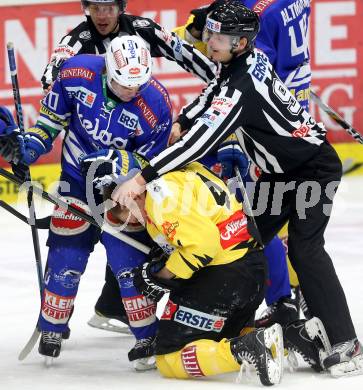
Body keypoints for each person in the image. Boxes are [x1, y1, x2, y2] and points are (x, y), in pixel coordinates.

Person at [109, 1, 363, 377]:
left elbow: (199, 143)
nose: (210, 41)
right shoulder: (238, 63)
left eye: (219, 37)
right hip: (282, 174)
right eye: (209, 31)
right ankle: (276, 329)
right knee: (246, 238)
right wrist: (185, 116)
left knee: (307, 251)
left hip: (313, 170)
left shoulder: (242, 86)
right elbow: (214, 88)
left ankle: (347, 344)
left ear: (242, 42)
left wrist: (142, 178)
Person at [42, 0, 218, 332]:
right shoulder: (76, 43)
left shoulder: (144, 30)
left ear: (121, 7)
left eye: (110, 6)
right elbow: (53, 82)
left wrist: (217, 91)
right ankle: (107, 308)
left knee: (132, 233)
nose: (103, 14)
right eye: (96, 6)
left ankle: (117, 308)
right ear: (86, 8)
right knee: (86, 242)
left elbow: (197, 61)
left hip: (126, 156)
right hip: (88, 160)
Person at [86, 149, 332, 384]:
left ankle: (246, 349)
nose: (133, 221)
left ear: (134, 193)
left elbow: (203, 245)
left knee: (168, 357)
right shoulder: (185, 171)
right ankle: (296, 336)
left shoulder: (158, 196)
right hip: (252, 268)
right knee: (217, 339)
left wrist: (161, 275)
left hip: (224, 277)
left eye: (127, 212)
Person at [0, 35, 172, 370]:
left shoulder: (156, 104)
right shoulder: (77, 72)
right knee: (67, 256)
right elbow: (50, 122)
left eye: (137, 84)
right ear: (109, 69)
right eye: (123, 83)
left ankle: (147, 336)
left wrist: (116, 164)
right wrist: (30, 147)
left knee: (127, 266)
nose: (131, 92)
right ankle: (52, 325)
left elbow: (152, 164)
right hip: (75, 184)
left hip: (123, 195)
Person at [172, 0, 307, 328]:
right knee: (272, 215)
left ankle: (283, 301)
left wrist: (186, 34)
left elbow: (233, 68)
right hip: (284, 107)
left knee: (255, 219)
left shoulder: (252, 13)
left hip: (252, 119)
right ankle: (289, 293)